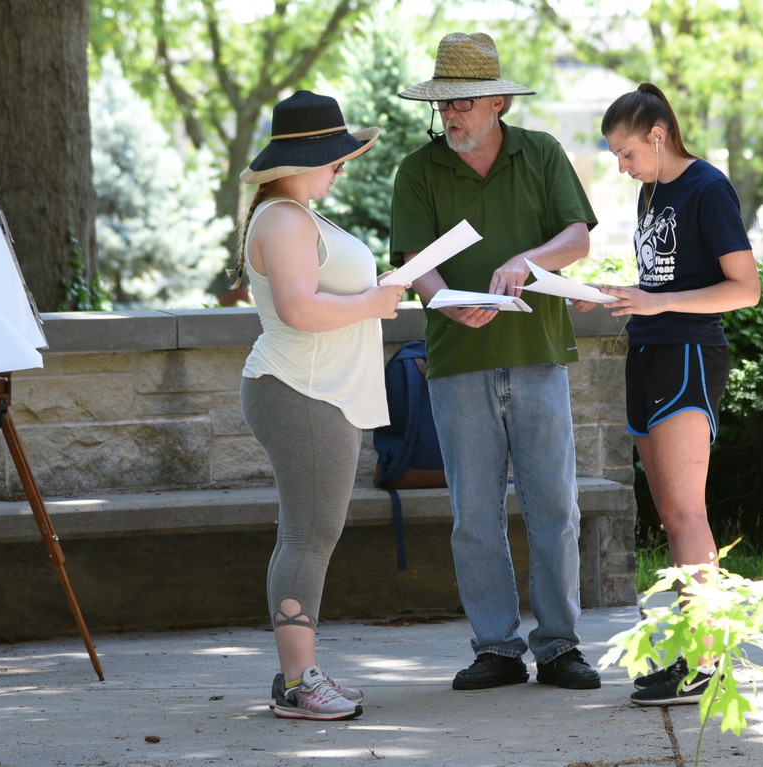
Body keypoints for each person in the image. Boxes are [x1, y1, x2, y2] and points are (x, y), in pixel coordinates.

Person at [391, 32, 601, 692]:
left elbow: (578, 237)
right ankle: (498, 648)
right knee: (474, 516)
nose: (451, 114)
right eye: (444, 104)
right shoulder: (417, 171)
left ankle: (561, 644)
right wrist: (444, 302)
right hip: (457, 361)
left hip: (537, 355)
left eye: (465, 102)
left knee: (555, 511)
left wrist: (530, 262)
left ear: (500, 103)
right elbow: (415, 265)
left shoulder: (540, 153)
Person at [578, 83, 761, 706]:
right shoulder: (652, 191)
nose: (621, 167)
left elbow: (744, 289)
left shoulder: (708, 188)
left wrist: (656, 303)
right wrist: (621, 296)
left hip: (687, 355)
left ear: (658, 136)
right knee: (671, 515)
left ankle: (706, 661)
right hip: (649, 351)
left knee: (687, 514)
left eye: (625, 153)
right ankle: (693, 651)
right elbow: (665, 280)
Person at [237, 90, 402, 721]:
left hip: (319, 390)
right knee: (308, 537)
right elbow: (299, 310)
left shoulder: (298, 214)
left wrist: (378, 292)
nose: (342, 166)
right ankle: (298, 682)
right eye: (335, 157)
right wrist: (374, 303)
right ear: (301, 159)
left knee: (309, 535)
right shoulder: (282, 218)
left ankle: (300, 673)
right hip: (301, 390)